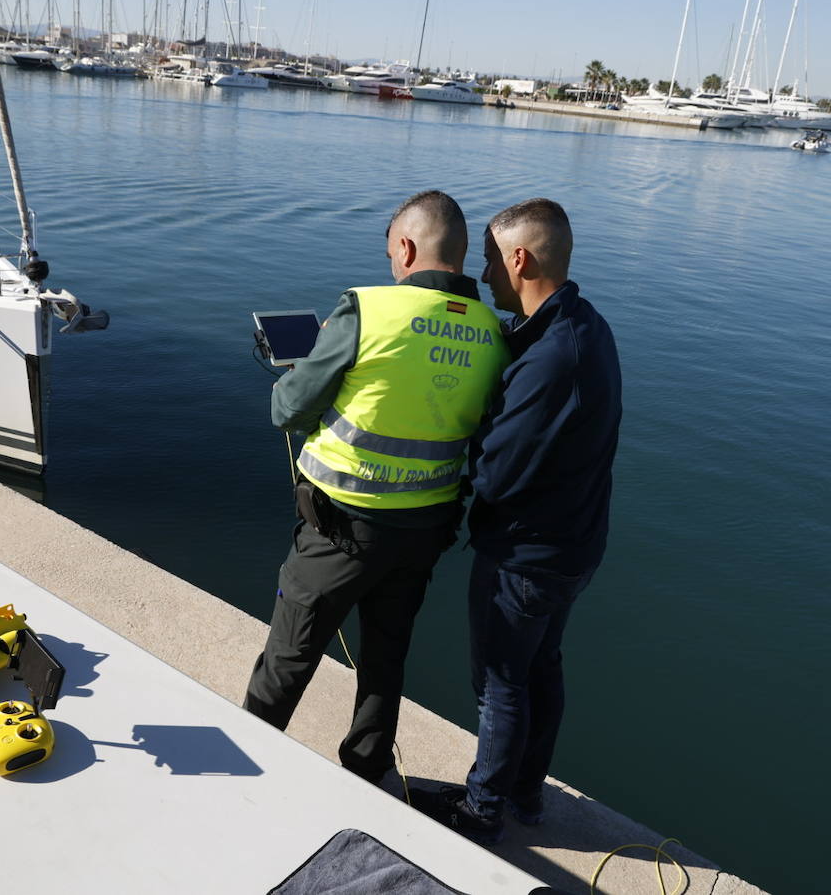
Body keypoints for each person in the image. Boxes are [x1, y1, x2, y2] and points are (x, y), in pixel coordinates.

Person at [243, 190, 509, 784]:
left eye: (393, 251)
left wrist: (306, 377)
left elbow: (286, 410)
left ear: (407, 248)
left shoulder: (367, 309)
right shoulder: (495, 332)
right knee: (386, 660)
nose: (392, 263)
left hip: (340, 530)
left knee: (290, 655)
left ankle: (248, 763)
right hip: (424, 534)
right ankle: (366, 771)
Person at [410, 199, 622, 843]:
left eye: (490, 262)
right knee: (541, 668)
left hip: (527, 555)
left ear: (519, 258)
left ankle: (480, 812)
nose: (485, 275)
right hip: (575, 544)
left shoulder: (554, 357)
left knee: (500, 683)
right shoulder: (583, 326)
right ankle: (525, 792)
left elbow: (499, 472)